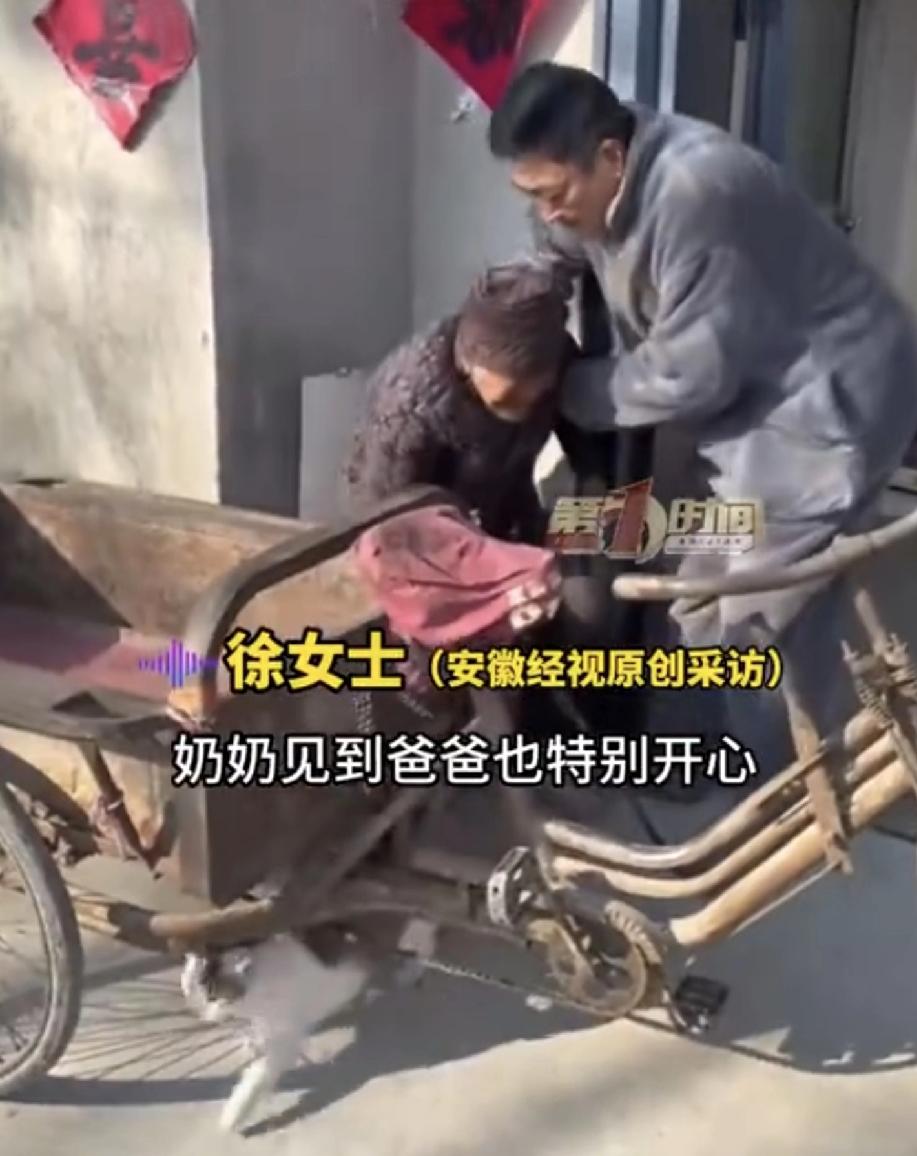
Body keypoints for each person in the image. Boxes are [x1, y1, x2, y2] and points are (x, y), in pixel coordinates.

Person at [487, 62, 917, 775]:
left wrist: (562, 389)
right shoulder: (595, 186)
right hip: (751, 402)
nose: (548, 213)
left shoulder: (697, 192)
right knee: (699, 597)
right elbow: (555, 256)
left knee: (759, 614)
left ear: (610, 157)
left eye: (554, 195)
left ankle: (791, 788)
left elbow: (690, 375)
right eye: (530, 197)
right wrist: (508, 321)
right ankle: (742, 749)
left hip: (827, 410)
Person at [342, 262, 573, 545]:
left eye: (538, 386)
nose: (527, 402)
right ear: (471, 364)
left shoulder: (560, 364)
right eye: (511, 394)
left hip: (506, 500)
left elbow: (594, 465)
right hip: (416, 525)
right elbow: (384, 529)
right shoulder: (410, 404)